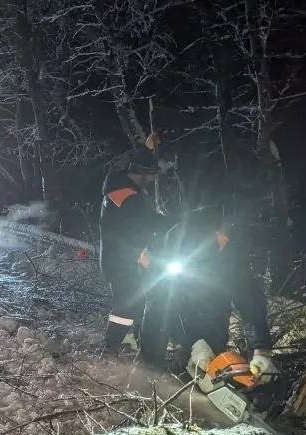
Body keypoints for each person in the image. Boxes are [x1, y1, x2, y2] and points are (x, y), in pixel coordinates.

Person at [141, 206, 279, 381]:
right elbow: (161, 303)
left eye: (225, 240)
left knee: (212, 368)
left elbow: (249, 298)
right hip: (170, 313)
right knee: (152, 361)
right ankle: (148, 375)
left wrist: (261, 348)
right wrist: (191, 342)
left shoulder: (229, 254)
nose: (223, 243)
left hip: (212, 314)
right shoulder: (170, 252)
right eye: (220, 240)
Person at [98, 150, 166, 354]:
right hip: (120, 261)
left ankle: (138, 343)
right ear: (143, 174)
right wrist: (179, 221)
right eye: (151, 176)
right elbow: (147, 220)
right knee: (126, 307)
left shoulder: (125, 190)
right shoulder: (124, 195)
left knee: (138, 301)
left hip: (127, 258)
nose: (152, 181)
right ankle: (109, 350)